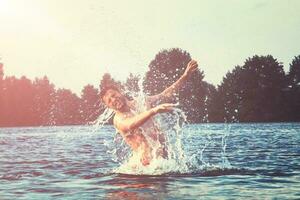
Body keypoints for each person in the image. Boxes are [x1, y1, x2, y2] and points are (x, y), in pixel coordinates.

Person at [100, 60, 198, 166]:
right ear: (109, 106)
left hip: (162, 160)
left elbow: (165, 94)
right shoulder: (118, 120)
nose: (113, 100)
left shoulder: (141, 101)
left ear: (120, 92)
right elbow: (131, 124)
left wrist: (185, 76)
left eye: (113, 95)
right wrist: (154, 111)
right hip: (143, 166)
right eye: (109, 101)